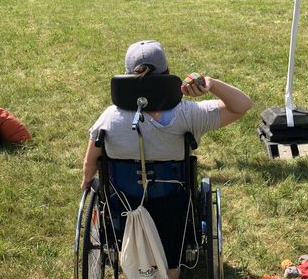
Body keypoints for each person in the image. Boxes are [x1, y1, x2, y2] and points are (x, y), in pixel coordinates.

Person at [81, 40, 252, 190]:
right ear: (168, 72)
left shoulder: (109, 118)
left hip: (122, 208)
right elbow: (242, 105)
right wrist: (211, 83)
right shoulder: (189, 114)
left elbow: (90, 165)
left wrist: (87, 181)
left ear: (126, 77)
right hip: (175, 207)